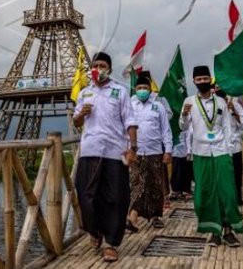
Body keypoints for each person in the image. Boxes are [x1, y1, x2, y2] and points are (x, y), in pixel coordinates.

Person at [73, 51, 139, 263]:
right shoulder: (85, 93)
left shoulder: (119, 92)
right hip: (89, 150)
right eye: (95, 65)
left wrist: (133, 148)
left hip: (114, 152)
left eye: (102, 65)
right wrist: (81, 114)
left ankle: (111, 244)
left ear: (109, 69)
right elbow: (76, 122)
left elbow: (130, 121)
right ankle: (95, 230)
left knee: (115, 198)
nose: (98, 69)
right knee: (85, 196)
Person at [179, 65, 243, 248]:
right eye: (198, 79)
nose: (202, 82)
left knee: (228, 192)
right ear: (194, 81)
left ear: (210, 79)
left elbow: (227, 128)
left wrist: (229, 151)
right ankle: (214, 232)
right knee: (204, 194)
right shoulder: (189, 102)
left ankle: (229, 230)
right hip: (201, 153)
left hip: (221, 151)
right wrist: (184, 115)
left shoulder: (221, 102)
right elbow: (184, 127)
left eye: (204, 78)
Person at [126, 71, 172, 232]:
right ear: (135, 89)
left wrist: (168, 150)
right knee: (136, 184)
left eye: (145, 87)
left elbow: (166, 130)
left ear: (150, 89)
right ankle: (132, 217)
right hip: (136, 152)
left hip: (155, 151)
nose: (142, 90)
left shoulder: (158, 106)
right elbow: (125, 128)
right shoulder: (130, 106)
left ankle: (155, 216)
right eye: (139, 87)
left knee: (155, 184)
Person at [214, 83, 243, 206]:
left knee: (236, 177)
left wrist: (233, 110)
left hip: (235, 148)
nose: (218, 89)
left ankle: (237, 199)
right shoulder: (213, 106)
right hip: (220, 148)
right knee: (222, 178)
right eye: (216, 87)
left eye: (220, 87)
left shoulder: (236, 105)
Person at [170, 124, 193, 201]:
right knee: (176, 168)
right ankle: (176, 190)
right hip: (176, 140)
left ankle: (186, 190)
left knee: (187, 167)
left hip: (188, 139)